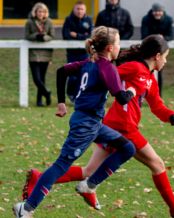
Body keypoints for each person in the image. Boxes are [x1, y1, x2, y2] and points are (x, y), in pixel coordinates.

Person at [22, 35, 174, 217]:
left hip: (110, 125)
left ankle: (40, 178)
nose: (166, 60)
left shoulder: (150, 79)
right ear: (157, 56)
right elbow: (108, 75)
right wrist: (99, 82)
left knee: (89, 171)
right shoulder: (134, 68)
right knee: (158, 164)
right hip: (123, 126)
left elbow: (156, 106)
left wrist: (172, 117)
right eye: (165, 56)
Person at [14, 26, 136, 217]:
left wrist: (62, 102)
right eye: (119, 43)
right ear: (111, 48)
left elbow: (61, 71)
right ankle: (27, 208)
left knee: (127, 148)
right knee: (61, 165)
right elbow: (121, 99)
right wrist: (132, 92)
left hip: (93, 123)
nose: (120, 46)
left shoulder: (90, 63)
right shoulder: (106, 67)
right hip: (85, 125)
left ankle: (89, 185)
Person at [62, 1, 93, 102]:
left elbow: (91, 36)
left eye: (82, 9)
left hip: (84, 53)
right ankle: (70, 93)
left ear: (85, 10)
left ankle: (77, 97)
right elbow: (66, 35)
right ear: (74, 9)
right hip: (72, 53)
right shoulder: (68, 20)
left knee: (82, 75)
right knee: (72, 76)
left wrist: (77, 35)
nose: (79, 11)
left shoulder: (88, 20)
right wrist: (83, 35)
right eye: (77, 9)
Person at [25, 2, 55, 107]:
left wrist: (44, 37)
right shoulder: (29, 22)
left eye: (43, 11)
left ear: (45, 12)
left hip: (45, 53)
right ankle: (47, 93)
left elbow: (52, 36)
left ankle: (39, 101)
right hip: (33, 53)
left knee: (42, 78)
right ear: (35, 12)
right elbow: (27, 35)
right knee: (36, 79)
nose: (41, 13)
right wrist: (36, 36)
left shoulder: (49, 22)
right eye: (39, 11)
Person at [141, 3, 174, 96]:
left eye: (159, 11)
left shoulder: (169, 20)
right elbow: (144, 35)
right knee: (147, 72)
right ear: (152, 11)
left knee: (159, 72)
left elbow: (171, 36)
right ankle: (146, 94)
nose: (157, 13)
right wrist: (156, 37)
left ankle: (158, 95)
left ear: (163, 12)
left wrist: (162, 38)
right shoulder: (146, 19)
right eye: (155, 11)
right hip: (149, 50)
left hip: (161, 50)